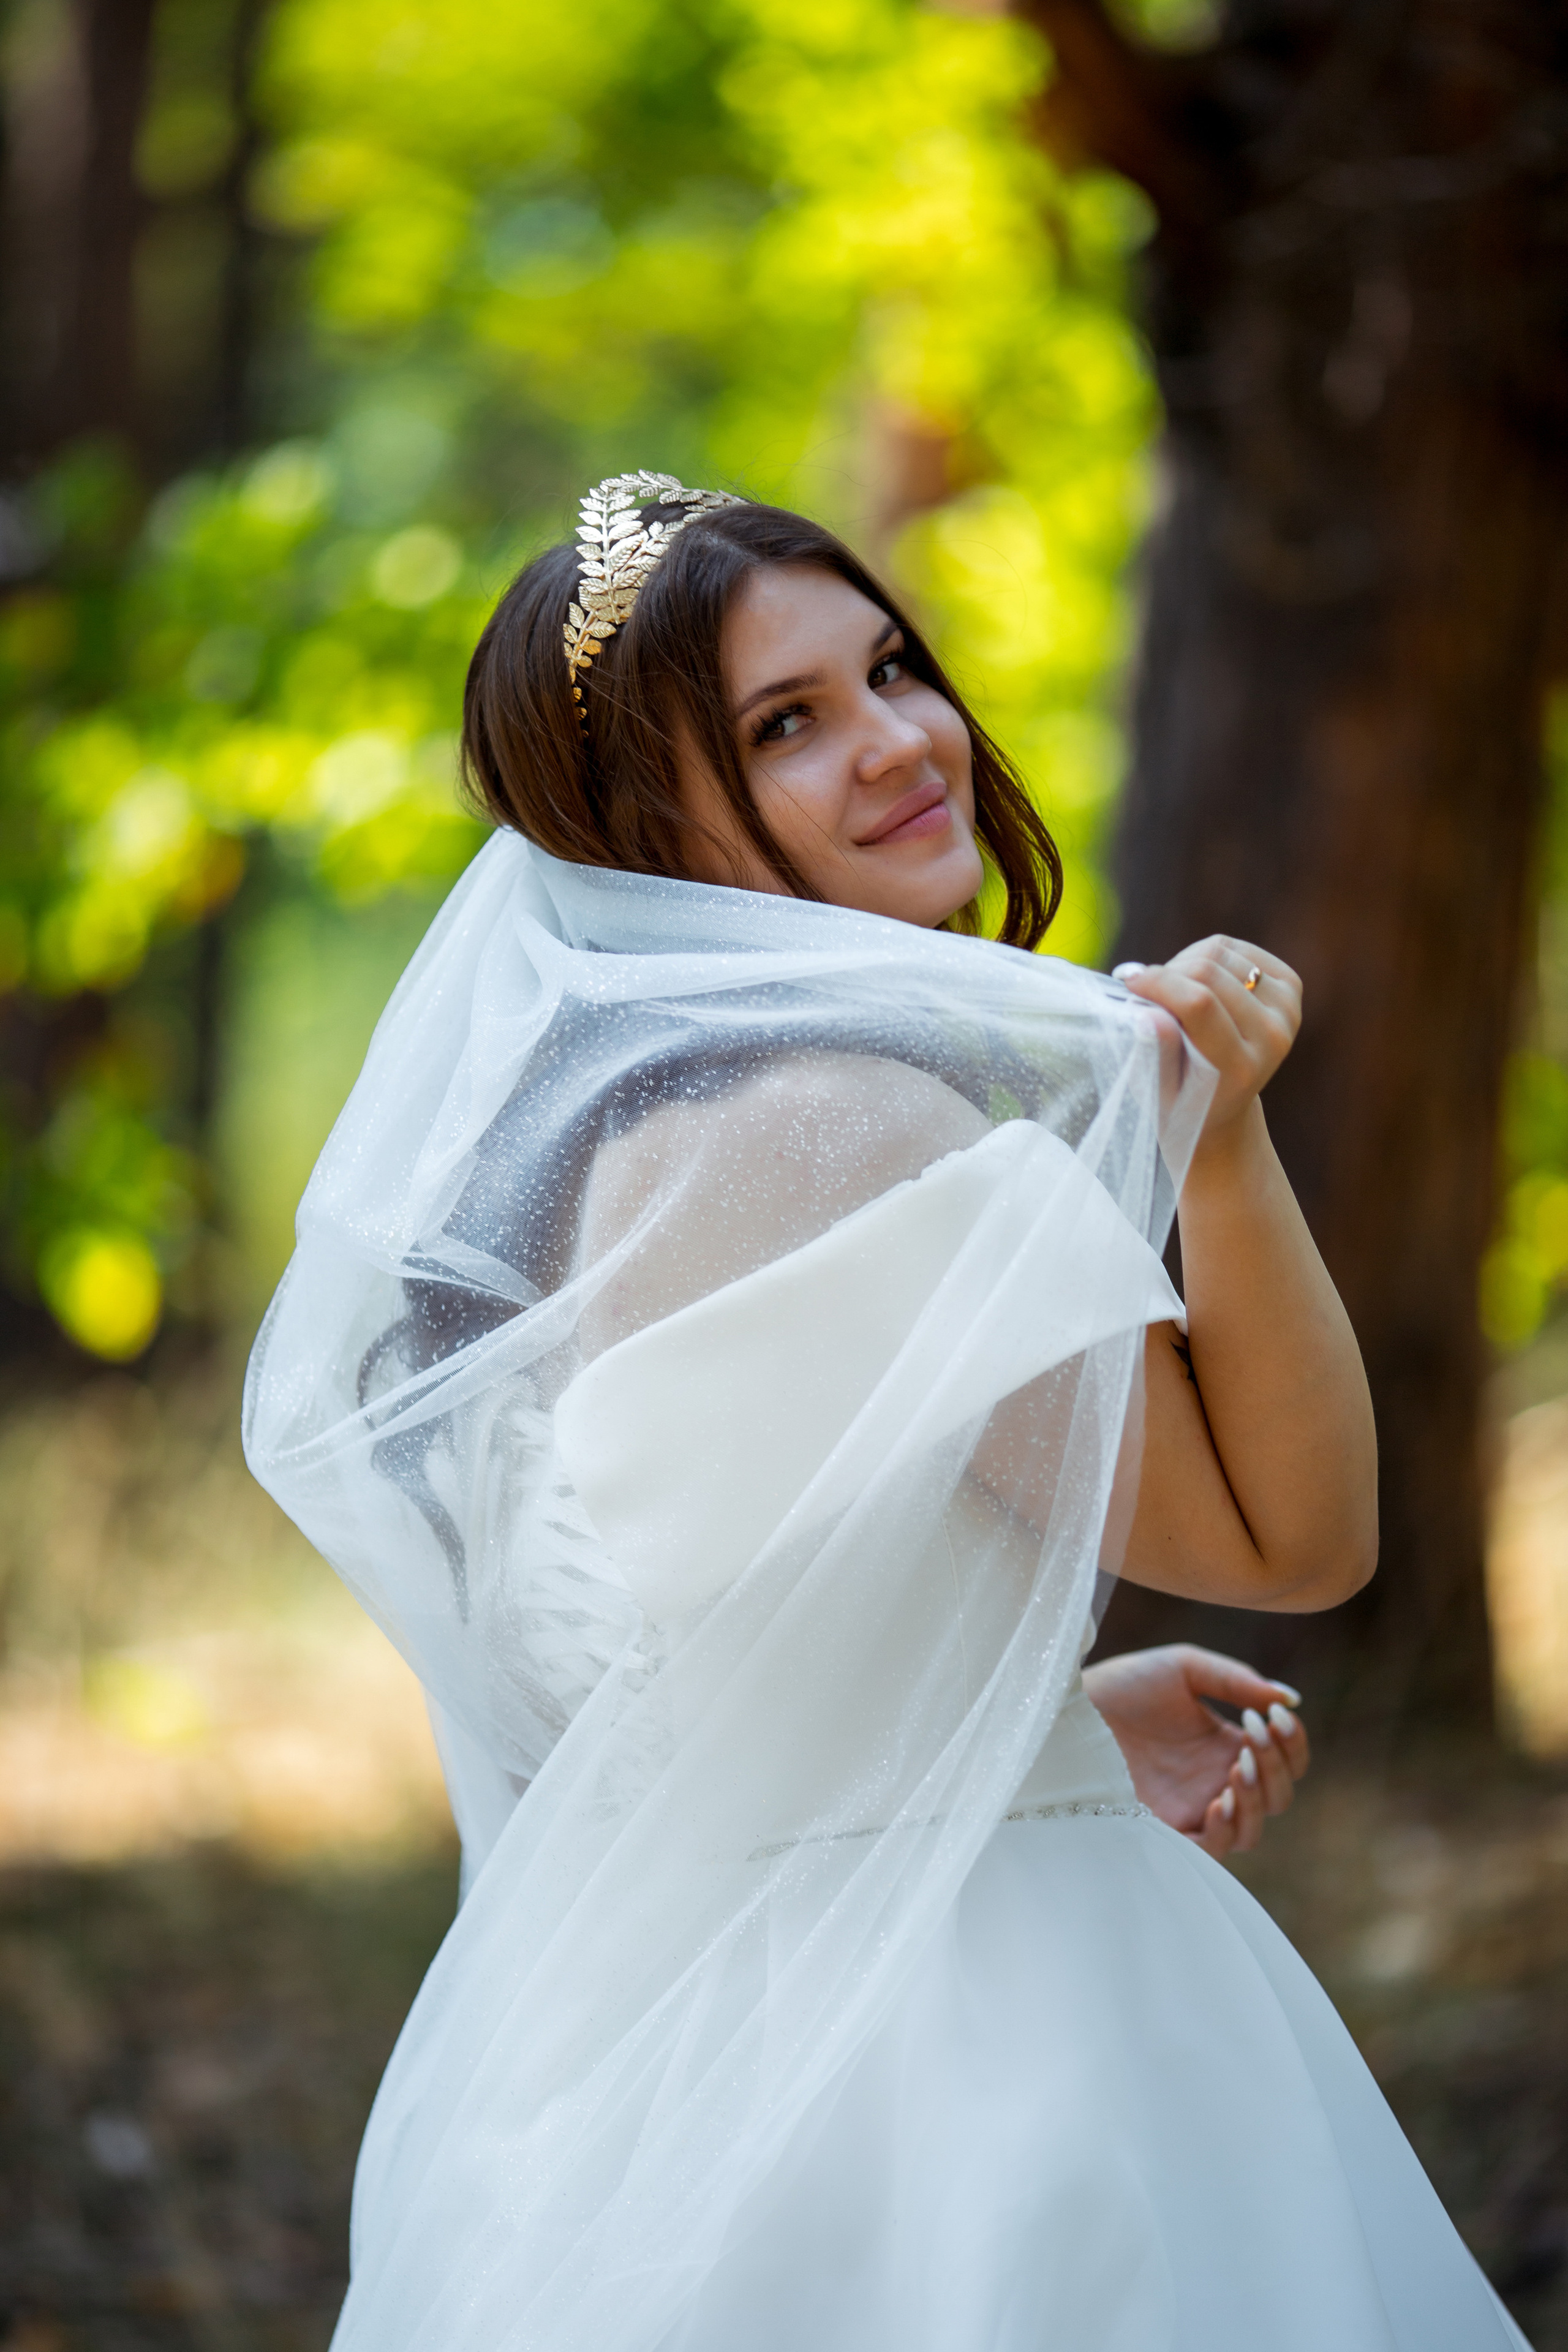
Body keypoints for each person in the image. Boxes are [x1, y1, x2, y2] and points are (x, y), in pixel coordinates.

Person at [244, 474, 1529, 2350]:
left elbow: (628, 1707)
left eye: (889, 670)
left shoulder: (599, 1169)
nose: (898, 742)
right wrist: (1226, 1138)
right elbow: (1299, 1537)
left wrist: (1029, 1726)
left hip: (628, 2063)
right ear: (643, 824)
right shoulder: (838, 1131)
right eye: (787, 725)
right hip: (955, 2057)